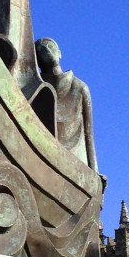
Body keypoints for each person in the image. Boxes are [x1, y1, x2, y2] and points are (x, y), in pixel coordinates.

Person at [34, 37, 98, 173]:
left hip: (76, 160)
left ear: (59, 53)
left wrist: (94, 170)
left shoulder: (80, 87)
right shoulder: (35, 89)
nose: (46, 49)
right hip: (46, 157)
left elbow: (88, 132)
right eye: (41, 50)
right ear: (37, 60)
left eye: (50, 47)